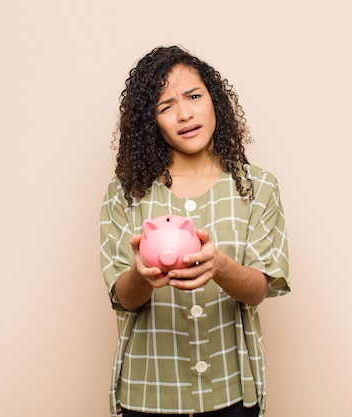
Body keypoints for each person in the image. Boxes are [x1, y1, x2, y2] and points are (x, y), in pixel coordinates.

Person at [100, 45, 290, 417]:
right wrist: (142, 276)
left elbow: (259, 290)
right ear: (150, 122)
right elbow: (124, 297)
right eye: (165, 106)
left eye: (193, 96)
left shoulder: (257, 187)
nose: (184, 114)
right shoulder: (125, 192)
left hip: (233, 394)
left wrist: (220, 266)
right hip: (148, 392)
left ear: (213, 99)